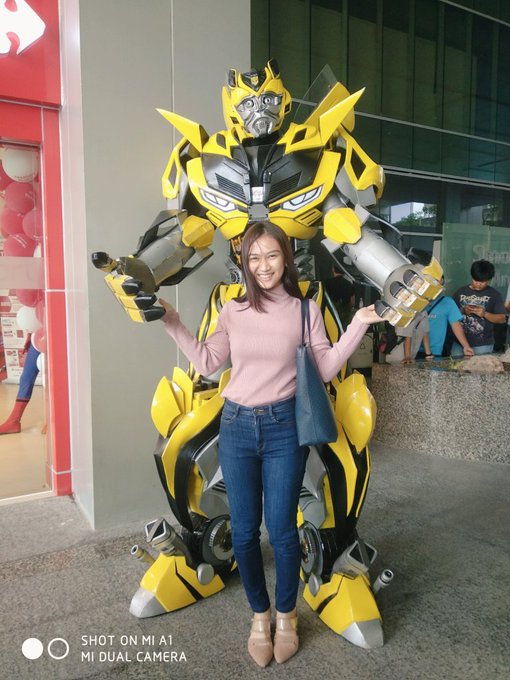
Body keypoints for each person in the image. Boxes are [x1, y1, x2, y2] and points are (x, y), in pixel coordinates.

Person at [158, 221, 381, 667]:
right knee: (244, 532)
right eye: (254, 257)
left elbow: (324, 368)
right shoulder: (232, 311)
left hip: (284, 429)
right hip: (237, 426)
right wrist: (172, 321)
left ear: (286, 258)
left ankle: (286, 615)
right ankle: (260, 616)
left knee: (281, 531)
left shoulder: (304, 311)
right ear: (244, 262)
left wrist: (358, 323)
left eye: (272, 255)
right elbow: (208, 362)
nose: (263, 266)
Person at [451, 260, 506, 357]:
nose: (479, 284)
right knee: (455, 366)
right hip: (459, 344)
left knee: (480, 367)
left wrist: (485, 314)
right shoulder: (460, 292)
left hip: (483, 345)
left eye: (483, 282)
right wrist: (463, 310)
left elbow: (502, 319)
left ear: (489, 280)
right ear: (471, 276)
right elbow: (451, 315)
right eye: (476, 280)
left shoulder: (494, 295)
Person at [0, 334, 40, 435]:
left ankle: (54, 420)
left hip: (54, 336)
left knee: (53, 378)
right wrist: (30, 336)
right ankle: (13, 421)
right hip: (38, 337)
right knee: (26, 378)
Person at [423, 279, 474, 358]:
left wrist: (466, 346)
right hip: (412, 349)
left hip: (435, 351)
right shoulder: (413, 300)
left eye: (440, 284)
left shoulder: (448, 302)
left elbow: (456, 325)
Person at [323, 265, 355, 329]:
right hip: (345, 311)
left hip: (331, 311)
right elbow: (352, 302)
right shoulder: (348, 284)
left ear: (333, 270)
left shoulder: (326, 283)